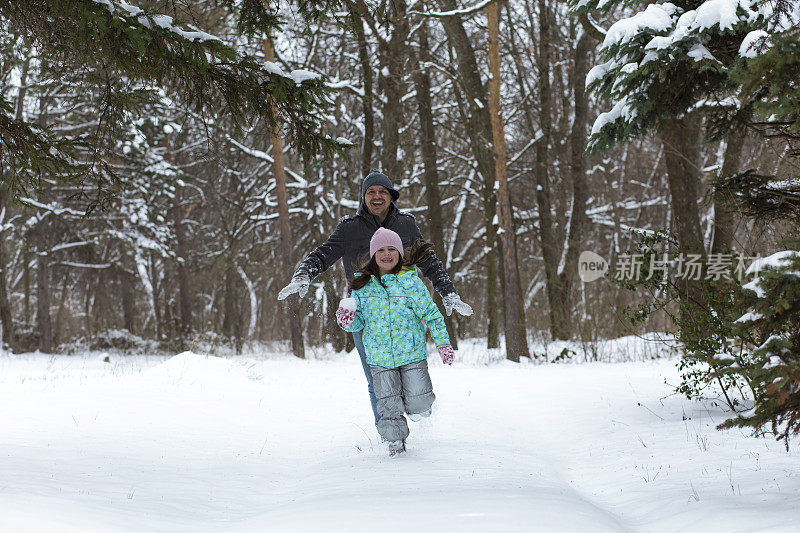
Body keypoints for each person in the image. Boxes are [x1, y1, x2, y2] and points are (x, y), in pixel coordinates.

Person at [277, 169, 471, 425]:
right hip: (366, 314)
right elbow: (322, 255)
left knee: (408, 375)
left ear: (391, 196)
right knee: (376, 379)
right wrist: (303, 274)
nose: (377, 196)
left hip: (403, 312)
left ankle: (414, 407)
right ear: (363, 197)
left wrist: (448, 292)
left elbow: (429, 261)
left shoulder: (406, 224)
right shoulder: (350, 228)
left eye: (382, 191)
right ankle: (389, 433)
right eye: (371, 192)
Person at [335, 228, 454, 455]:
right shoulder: (362, 286)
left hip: (411, 354)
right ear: (373, 255)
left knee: (419, 401)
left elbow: (432, 314)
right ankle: (395, 443)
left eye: (392, 249)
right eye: (380, 250)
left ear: (399, 253)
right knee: (388, 404)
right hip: (380, 358)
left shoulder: (411, 283)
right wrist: (346, 320)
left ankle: (419, 409)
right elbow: (358, 323)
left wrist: (443, 343)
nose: (386, 254)